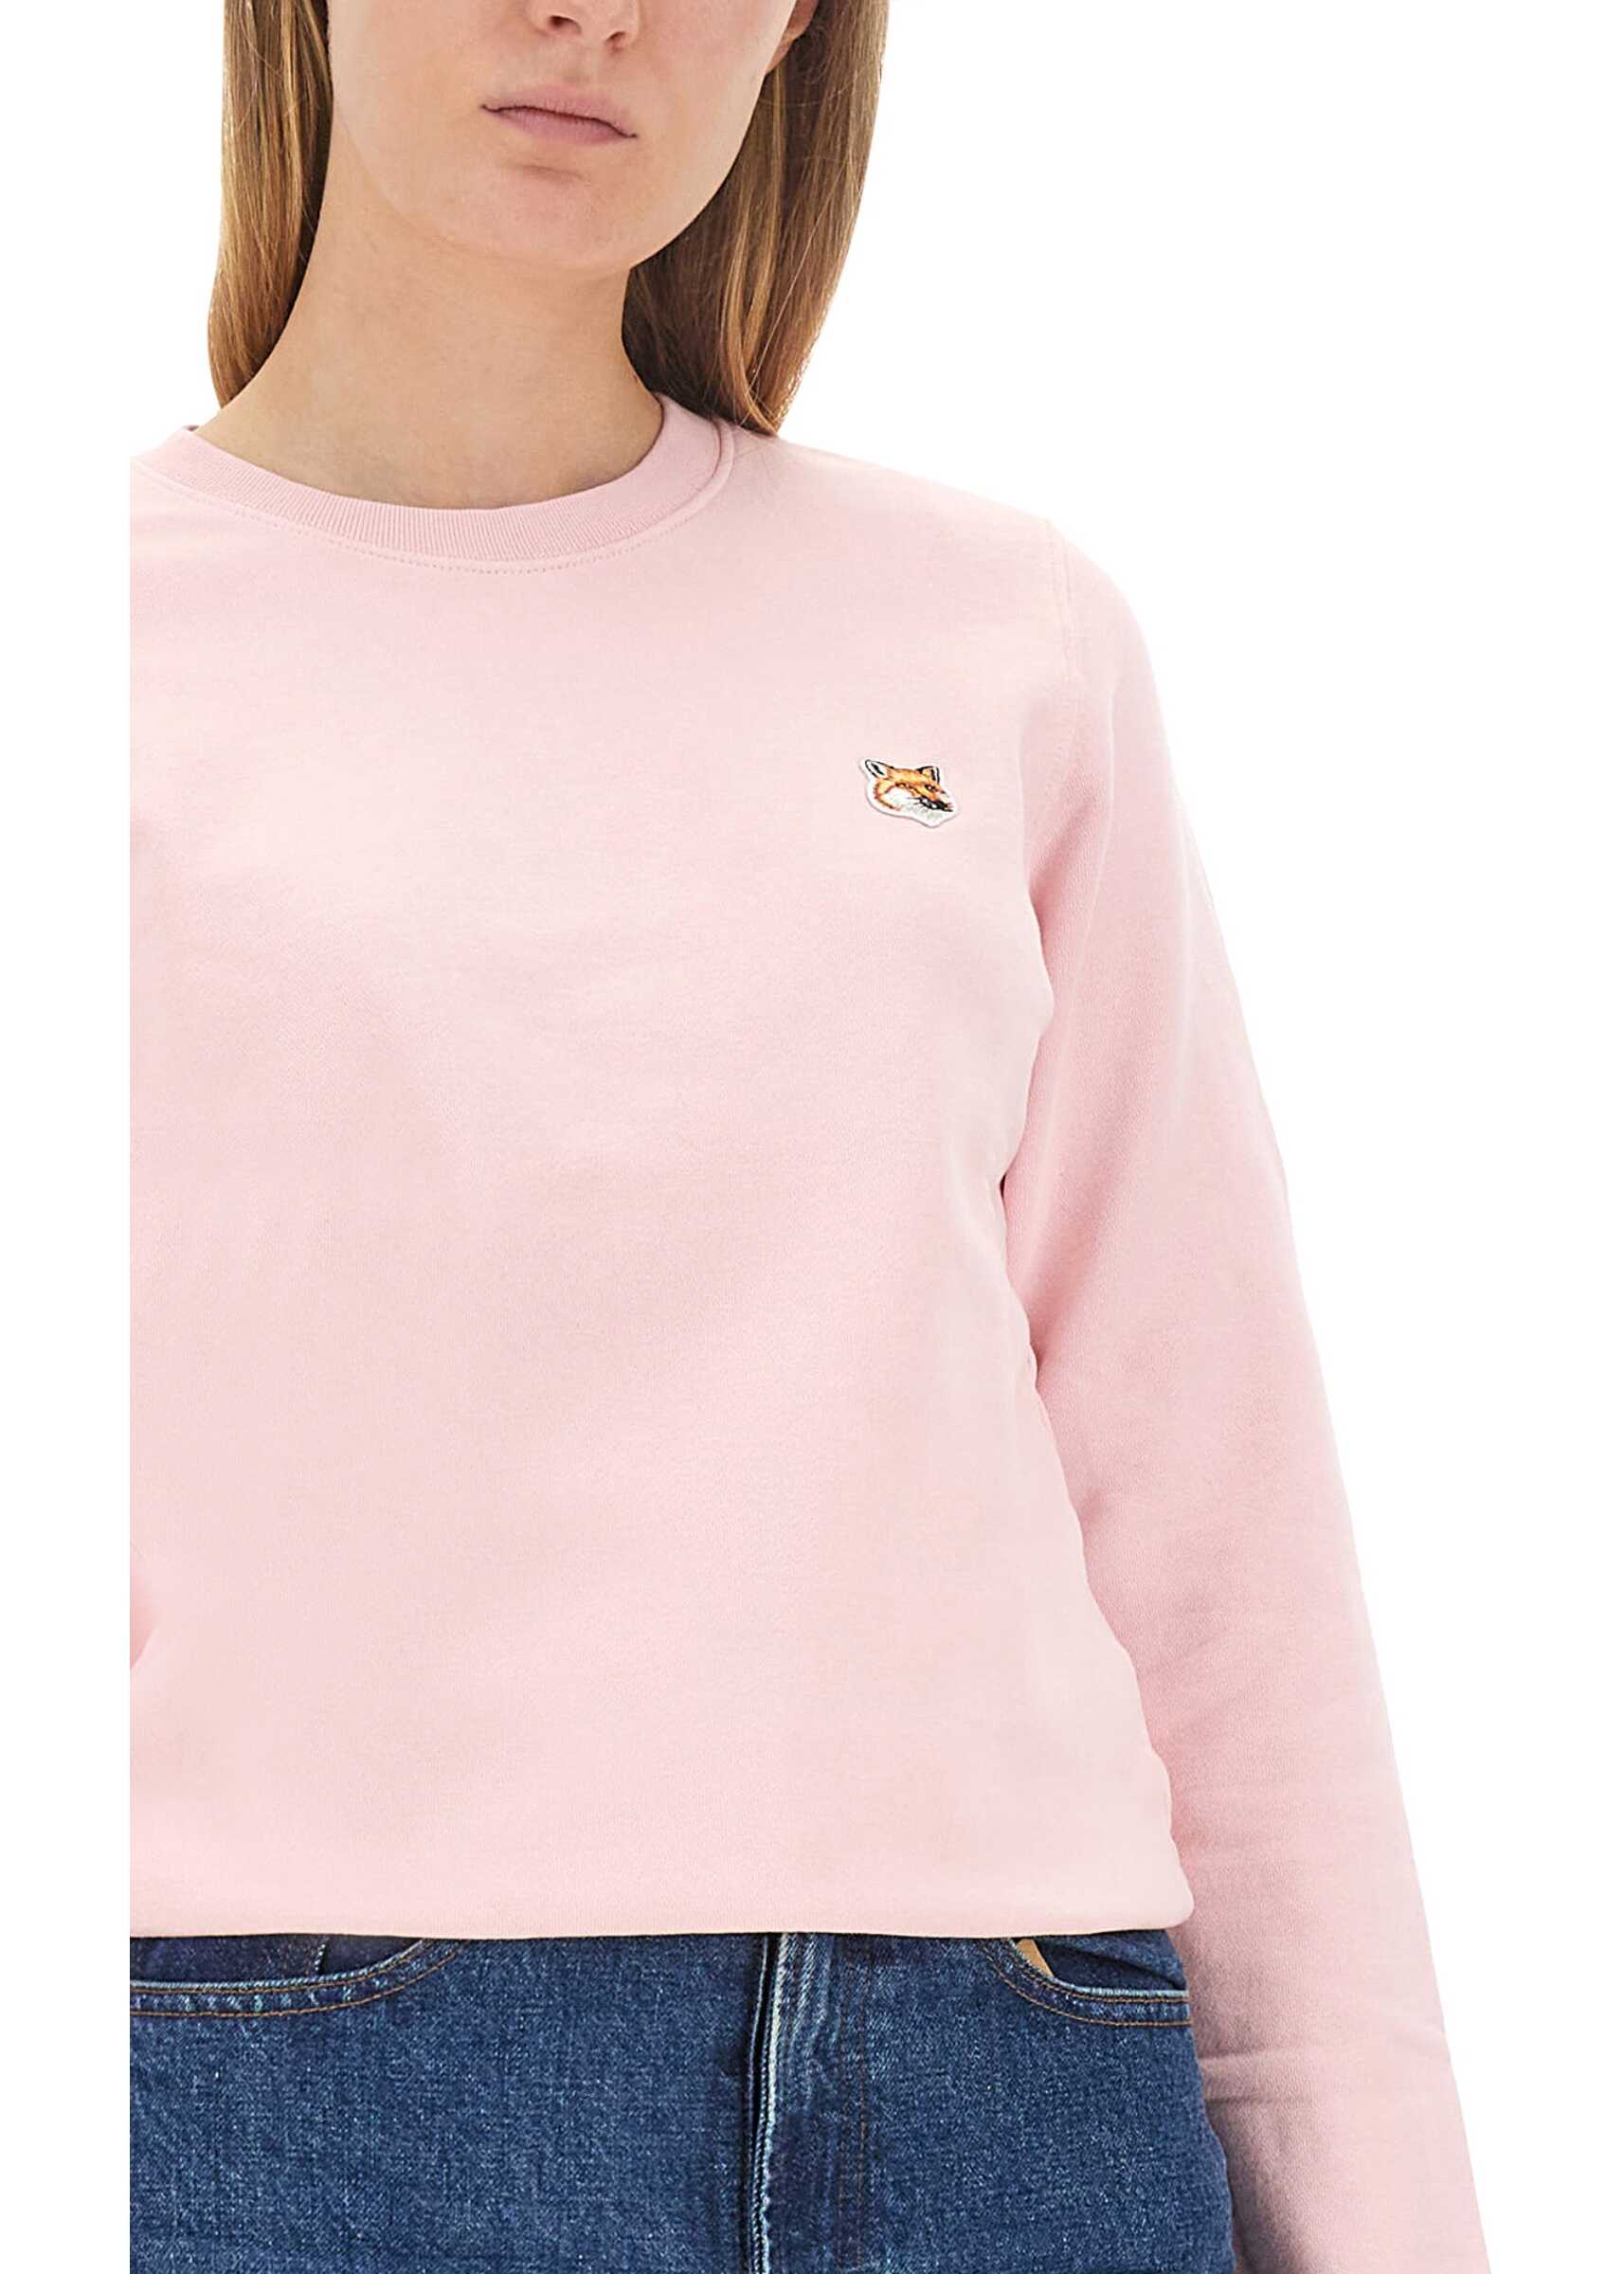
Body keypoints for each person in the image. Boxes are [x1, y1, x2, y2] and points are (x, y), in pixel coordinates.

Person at [129, 5, 1491, 2269]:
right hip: (263, 2103)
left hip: (1017, 2096)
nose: (595, 12)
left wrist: (1376, 2206)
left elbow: (1204, 1492)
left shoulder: (995, 635)